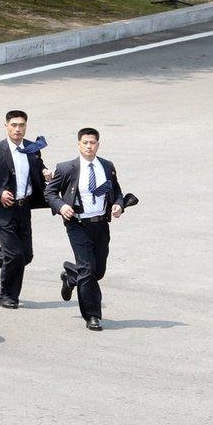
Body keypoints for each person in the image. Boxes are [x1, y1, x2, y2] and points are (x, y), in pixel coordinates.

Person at [45, 127, 127, 331]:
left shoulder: (107, 166)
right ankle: (92, 316)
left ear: (98, 144)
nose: (89, 146)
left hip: (100, 224)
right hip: (78, 224)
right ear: (78, 144)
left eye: (93, 142)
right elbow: (50, 192)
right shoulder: (66, 168)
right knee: (89, 271)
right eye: (85, 143)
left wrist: (119, 204)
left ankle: (72, 276)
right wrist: (61, 206)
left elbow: (116, 191)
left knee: (97, 271)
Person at [0, 110, 50, 309]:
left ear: (26, 126)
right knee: (15, 256)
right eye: (13, 125)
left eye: (21, 125)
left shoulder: (32, 148)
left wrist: (45, 172)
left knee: (26, 255)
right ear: (6, 126)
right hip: (3, 211)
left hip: (24, 209)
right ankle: (7, 296)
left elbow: (37, 167)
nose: (17, 129)